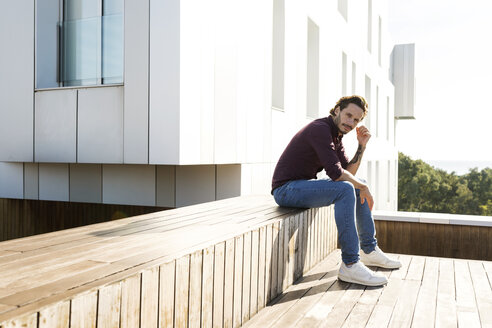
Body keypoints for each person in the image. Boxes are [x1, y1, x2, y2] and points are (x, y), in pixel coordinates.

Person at [271, 95, 401, 287]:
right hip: (286, 189)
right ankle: (350, 263)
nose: (350, 122)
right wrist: (362, 187)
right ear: (337, 110)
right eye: (348, 115)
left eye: (356, 120)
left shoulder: (336, 135)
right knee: (350, 187)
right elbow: (336, 173)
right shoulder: (320, 129)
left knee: (357, 183)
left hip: (302, 186)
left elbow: (347, 172)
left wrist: (361, 146)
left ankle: (368, 250)